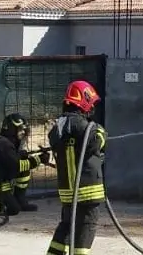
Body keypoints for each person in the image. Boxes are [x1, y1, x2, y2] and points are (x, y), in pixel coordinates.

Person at [45, 80, 107, 255]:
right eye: (91, 102)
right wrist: (101, 132)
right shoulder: (85, 127)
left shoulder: (58, 127)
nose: (92, 107)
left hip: (67, 191)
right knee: (86, 226)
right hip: (88, 190)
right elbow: (97, 141)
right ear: (84, 100)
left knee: (67, 225)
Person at [0, 113, 44, 215]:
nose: (23, 133)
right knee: (13, 209)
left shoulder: (6, 142)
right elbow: (16, 166)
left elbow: (11, 161)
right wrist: (38, 160)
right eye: (20, 129)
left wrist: (22, 154)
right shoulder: (4, 144)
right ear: (11, 129)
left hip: (0, 181)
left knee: (24, 167)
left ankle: (20, 200)